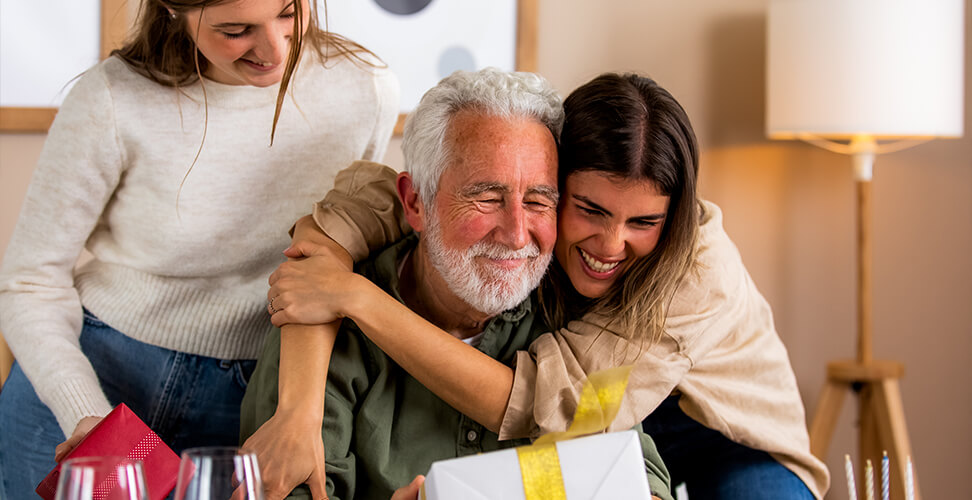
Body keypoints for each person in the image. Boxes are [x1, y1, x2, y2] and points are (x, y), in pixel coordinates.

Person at [269, 73, 830, 499]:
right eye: (588, 209)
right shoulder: (525, 211)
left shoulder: (695, 278)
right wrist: (297, 405)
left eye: (643, 222)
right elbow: (362, 202)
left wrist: (357, 300)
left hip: (726, 438)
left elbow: (544, 407)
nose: (611, 245)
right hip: (593, 397)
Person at [0, 0, 398, 496]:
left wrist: (301, 407)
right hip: (97, 376)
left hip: (258, 391)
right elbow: (28, 281)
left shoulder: (363, 88)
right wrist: (86, 413)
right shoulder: (112, 97)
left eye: (290, 13)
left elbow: (341, 256)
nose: (275, 49)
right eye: (236, 30)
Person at [239, 68, 673, 500]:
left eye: (538, 201)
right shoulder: (320, 325)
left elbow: (637, 473)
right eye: (486, 198)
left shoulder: (575, 321)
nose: (518, 235)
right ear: (415, 202)